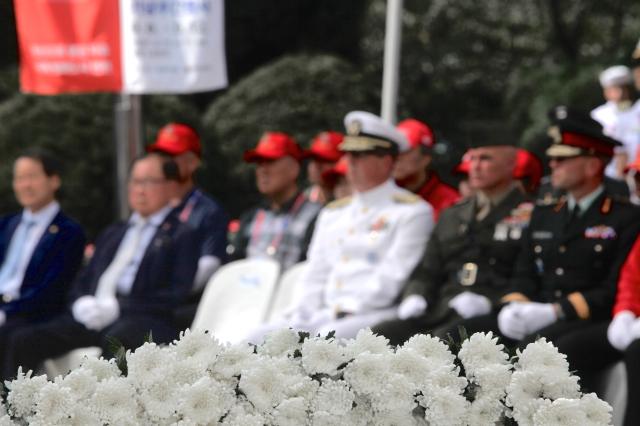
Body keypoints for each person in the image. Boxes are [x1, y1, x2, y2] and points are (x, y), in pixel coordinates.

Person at [449, 107, 640, 349]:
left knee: (535, 352)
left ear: (592, 165)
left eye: (562, 159)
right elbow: (525, 270)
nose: (552, 164)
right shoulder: (545, 212)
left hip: (585, 318)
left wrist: (556, 311)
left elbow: (612, 287)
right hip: (536, 310)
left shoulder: (625, 216)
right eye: (552, 158)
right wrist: (513, 305)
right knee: (458, 337)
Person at [3, 154, 200, 380]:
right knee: (24, 339)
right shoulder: (115, 232)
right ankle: (13, 410)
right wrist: (80, 302)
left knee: (119, 338)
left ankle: (100, 413)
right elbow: (83, 280)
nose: (140, 190)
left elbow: (175, 295)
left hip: (140, 318)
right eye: (135, 182)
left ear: (170, 186)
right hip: (94, 316)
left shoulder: (182, 234)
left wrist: (119, 307)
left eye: (149, 181)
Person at [246, 111, 434, 341]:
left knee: (327, 340)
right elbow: (316, 271)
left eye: (360, 155)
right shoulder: (333, 213)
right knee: (255, 338)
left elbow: (393, 276)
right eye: (348, 154)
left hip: (374, 313)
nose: (350, 162)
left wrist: (343, 310)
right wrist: (303, 312)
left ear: (386, 161)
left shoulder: (412, 212)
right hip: (324, 314)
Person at [373, 132, 530, 345]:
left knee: (443, 342)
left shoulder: (530, 215)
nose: (475, 166)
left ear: (511, 163)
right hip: (442, 309)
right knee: (380, 336)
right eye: (472, 158)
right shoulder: (453, 214)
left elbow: (530, 277)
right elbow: (428, 267)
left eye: (485, 159)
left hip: (494, 315)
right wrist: (416, 294)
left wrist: (491, 302)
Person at [0, 150, 85, 371]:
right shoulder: (6, 225)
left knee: (12, 336)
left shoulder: (68, 232)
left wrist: (5, 313)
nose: (25, 185)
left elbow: (51, 290)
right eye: (19, 178)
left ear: (53, 180)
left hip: (32, 314)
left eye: (32, 176)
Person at [551, 235, 640, 426]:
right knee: (569, 349)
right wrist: (625, 312)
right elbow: (632, 276)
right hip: (633, 321)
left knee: (637, 353)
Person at [146, 123, 228, 291]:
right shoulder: (150, 207)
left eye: (172, 155)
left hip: (181, 306)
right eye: (161, 154)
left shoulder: (208, 211)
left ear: (193, 162)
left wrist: (166, 295)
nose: (165, 161)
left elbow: (209, 265)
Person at [228, 132, 321, 269]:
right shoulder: (250, 217)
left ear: (294, 169)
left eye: (270, 161)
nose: (262, 170)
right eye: (259, 163)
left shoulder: (317, 216)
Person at [394, 118, 459, 220]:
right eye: (394, 149)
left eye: (405, 150)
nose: (397, 156)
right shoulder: (376, 194)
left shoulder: (449, 203)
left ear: (426, 158)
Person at [590, 65, 637, 178]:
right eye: (613, 89)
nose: (619, 93)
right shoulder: (598, 115)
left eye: (622, 88)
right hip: (611, 175)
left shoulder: (638, 110)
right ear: (605, 92)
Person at [303, 131, 344, 204]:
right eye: (313, 159)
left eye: (325, 160)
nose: (316, 166)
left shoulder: (356, 200)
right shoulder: (304, 199)